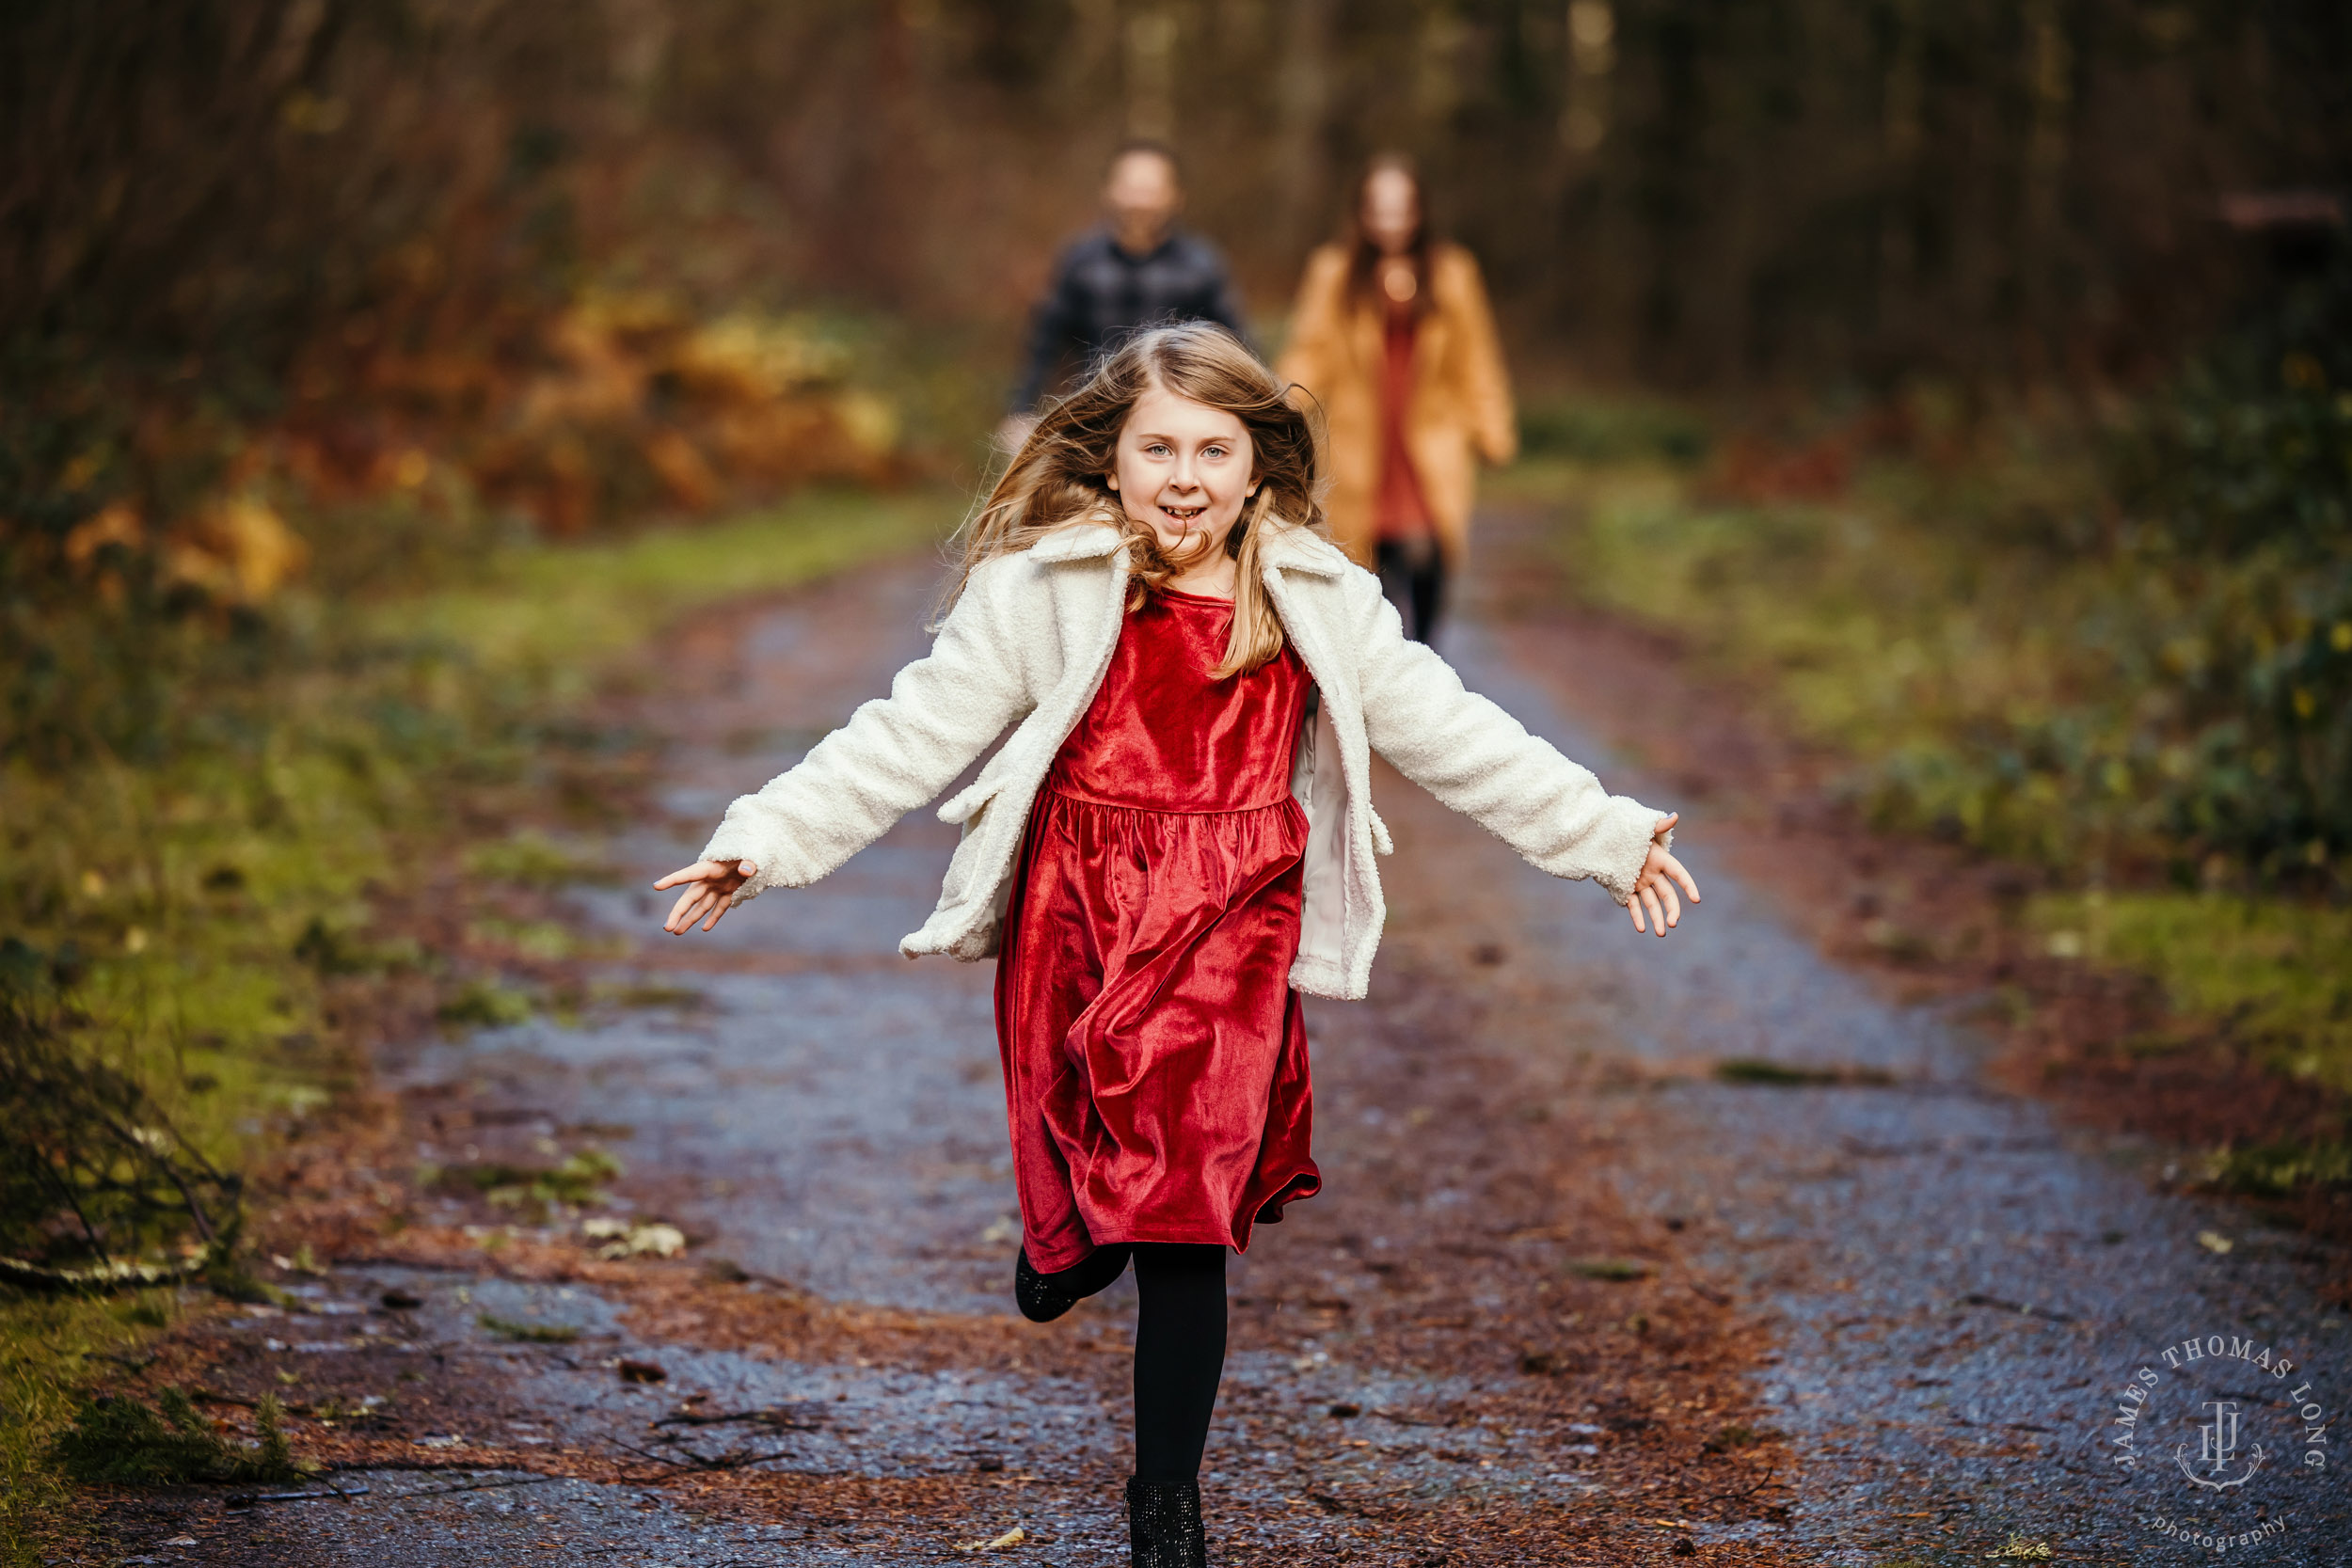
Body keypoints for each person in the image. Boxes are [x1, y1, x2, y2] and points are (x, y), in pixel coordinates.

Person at [654, 324, 1697, 1568]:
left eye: (1216, 448)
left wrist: (1602, 830)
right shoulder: (1044, 588)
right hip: (1077, 916)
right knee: (1082, 1187)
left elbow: (1455, 729)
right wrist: (764, 838)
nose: (1187, 476)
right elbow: (907, 731)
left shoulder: (1318, 598)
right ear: (1114, 461)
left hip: (1229, 926)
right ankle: (1060, 1249)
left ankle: (1167, 1506)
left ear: (1260, 465)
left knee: (1186, 1212)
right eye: (1159, 448)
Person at [1277, 153, 1516, 645]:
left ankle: (1426, 652)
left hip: (1429, 432)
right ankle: (1376, 664)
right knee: (1366, 554)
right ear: (1362, 213)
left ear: (1420, 211)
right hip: (1359, 434)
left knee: (1432, 545)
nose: (1391, 221)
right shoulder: (1334, 271)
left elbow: (1476, 356)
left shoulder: (1452, 272)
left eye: (1401, 209)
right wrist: (1280, 416)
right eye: (1379, 210)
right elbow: (1310, 350)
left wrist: (1491, 426)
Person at [1000, 140, 1250, 452]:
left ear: (1177, 197)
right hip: (1092, 418)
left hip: (1179, 419)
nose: (1141, 200)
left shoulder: (1201, 265)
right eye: (1131, 187)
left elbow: (1238, 345)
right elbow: (1044, 344)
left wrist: (1255, 411)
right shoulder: (1080, 262)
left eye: (1152, 189)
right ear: (1109, 191)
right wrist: (1021, 411)